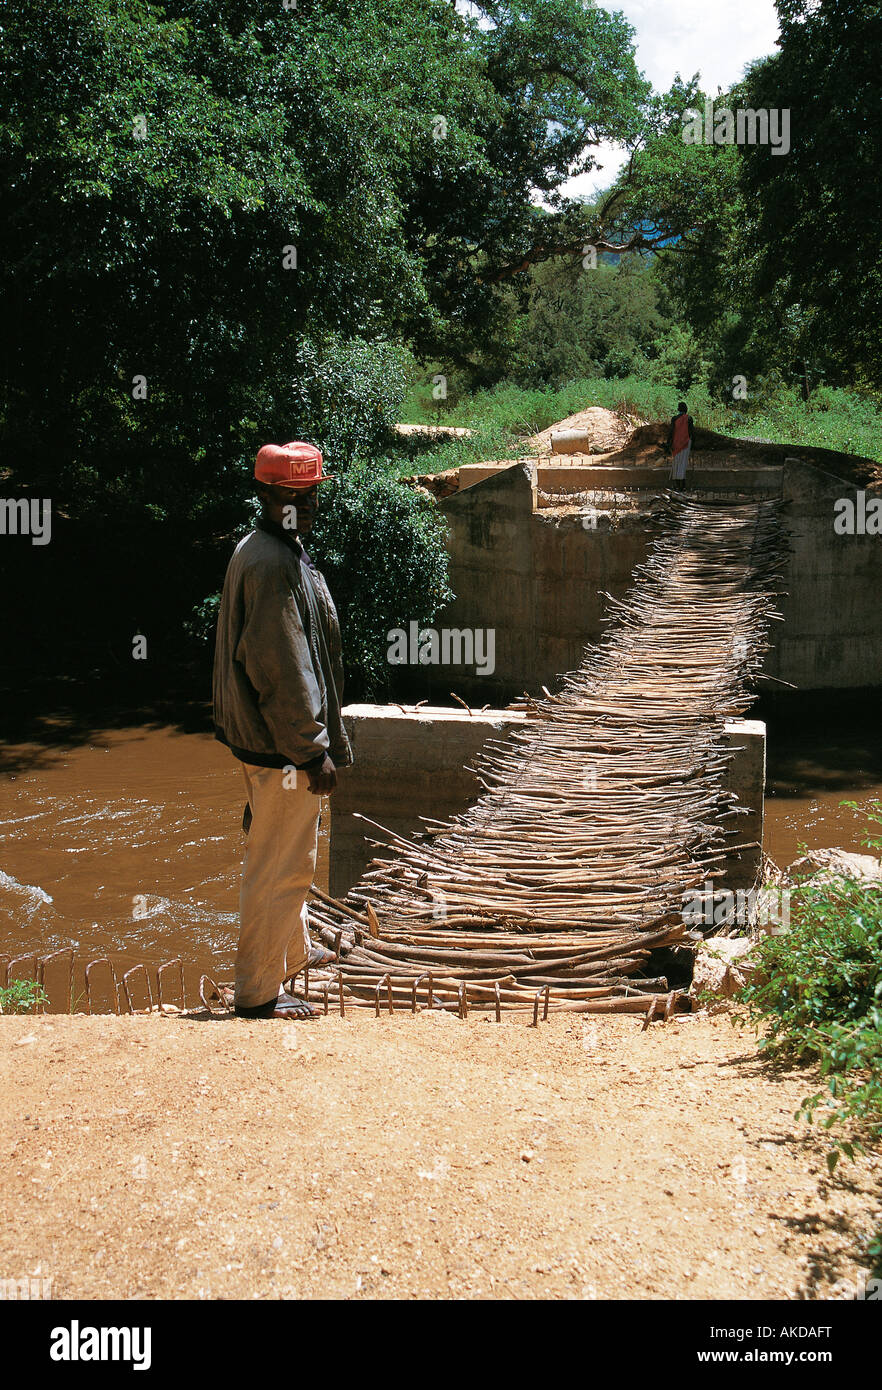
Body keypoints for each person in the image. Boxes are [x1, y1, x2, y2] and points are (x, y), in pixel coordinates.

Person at [212, 441, 353, 1020]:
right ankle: (258, 993)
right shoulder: (272, 563)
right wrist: (311, 750)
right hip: (281, 749)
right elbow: (282, 670)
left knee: (290, 854)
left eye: (310, 494)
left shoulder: (267, 547)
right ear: (269, 496)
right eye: (295, 495)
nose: (306, 505)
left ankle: (289, 950)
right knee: (275, 866)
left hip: (266, 743)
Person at [665, 401, 695, 489]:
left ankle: (678, 486)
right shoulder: (689, 418)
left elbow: (671, 432)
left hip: (676, 443)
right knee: (683, 464)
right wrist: (693, 443)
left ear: (678, 409)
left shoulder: (674, 419)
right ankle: (683, 486)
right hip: (686, 443)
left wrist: (668, 443)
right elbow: (692, 432)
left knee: (676, 463)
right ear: (686, 409)